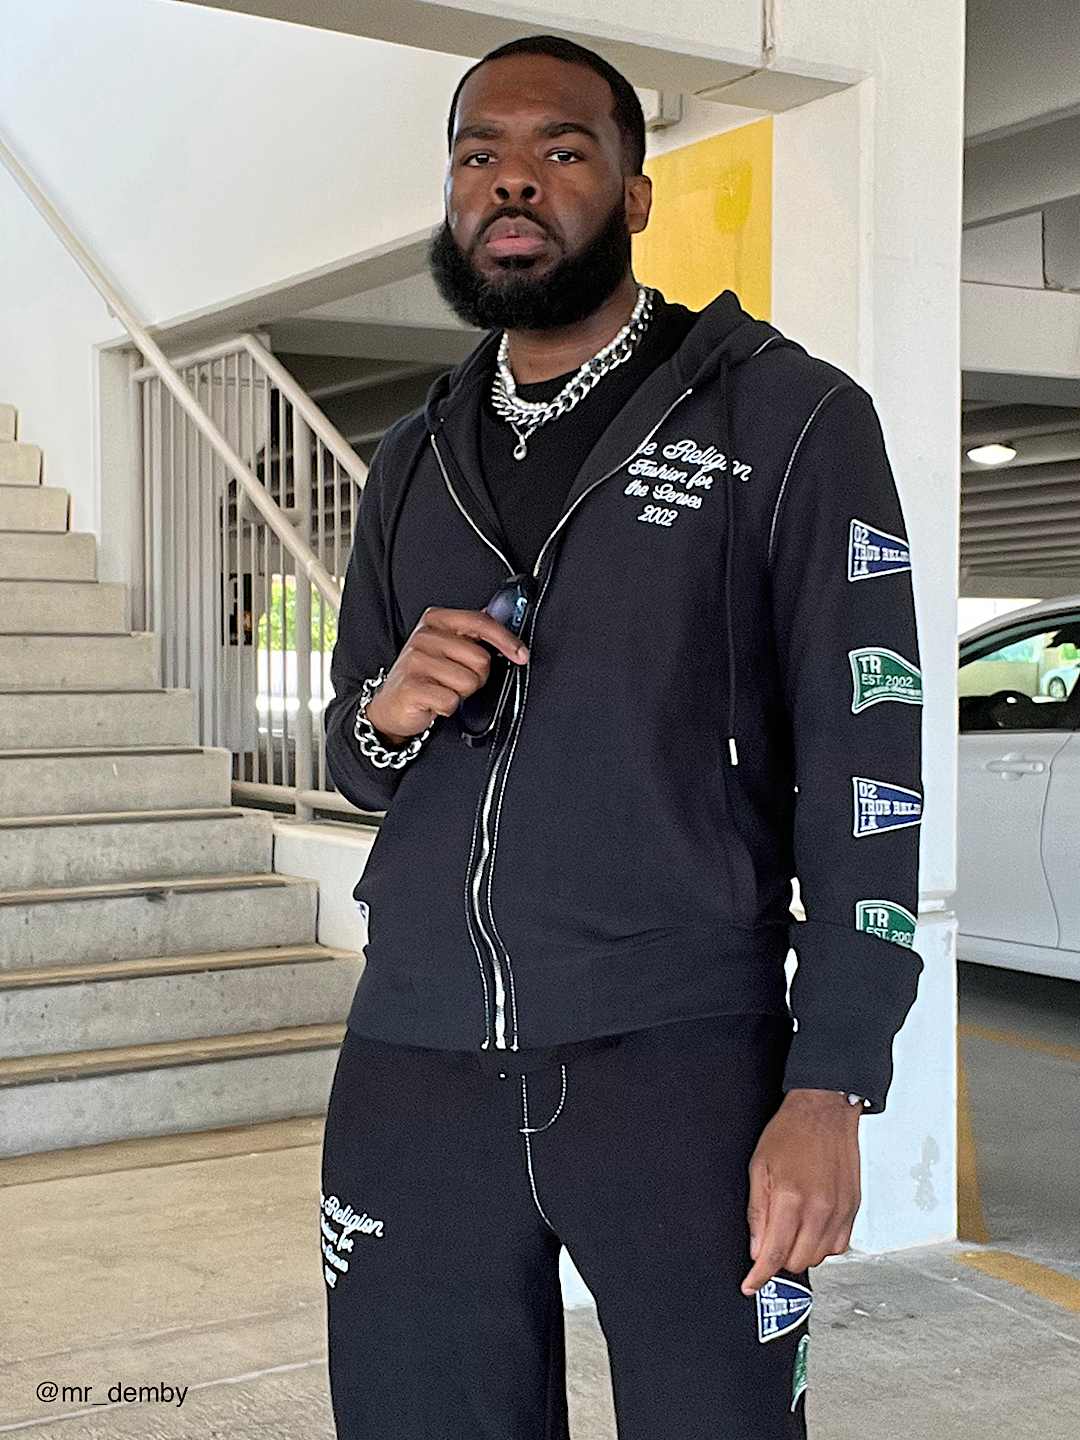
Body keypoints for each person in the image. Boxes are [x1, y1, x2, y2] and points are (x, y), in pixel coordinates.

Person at [320, 32, 924, 1439]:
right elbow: (355, 759)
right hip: (414, 1051)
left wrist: (833, 1080)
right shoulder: (412, 458)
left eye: (561, 150)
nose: (511, 182)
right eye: (479, 155)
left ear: (638, 195)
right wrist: (387, 710)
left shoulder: (791, 418)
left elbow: (867, 771)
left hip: (681, 1061)